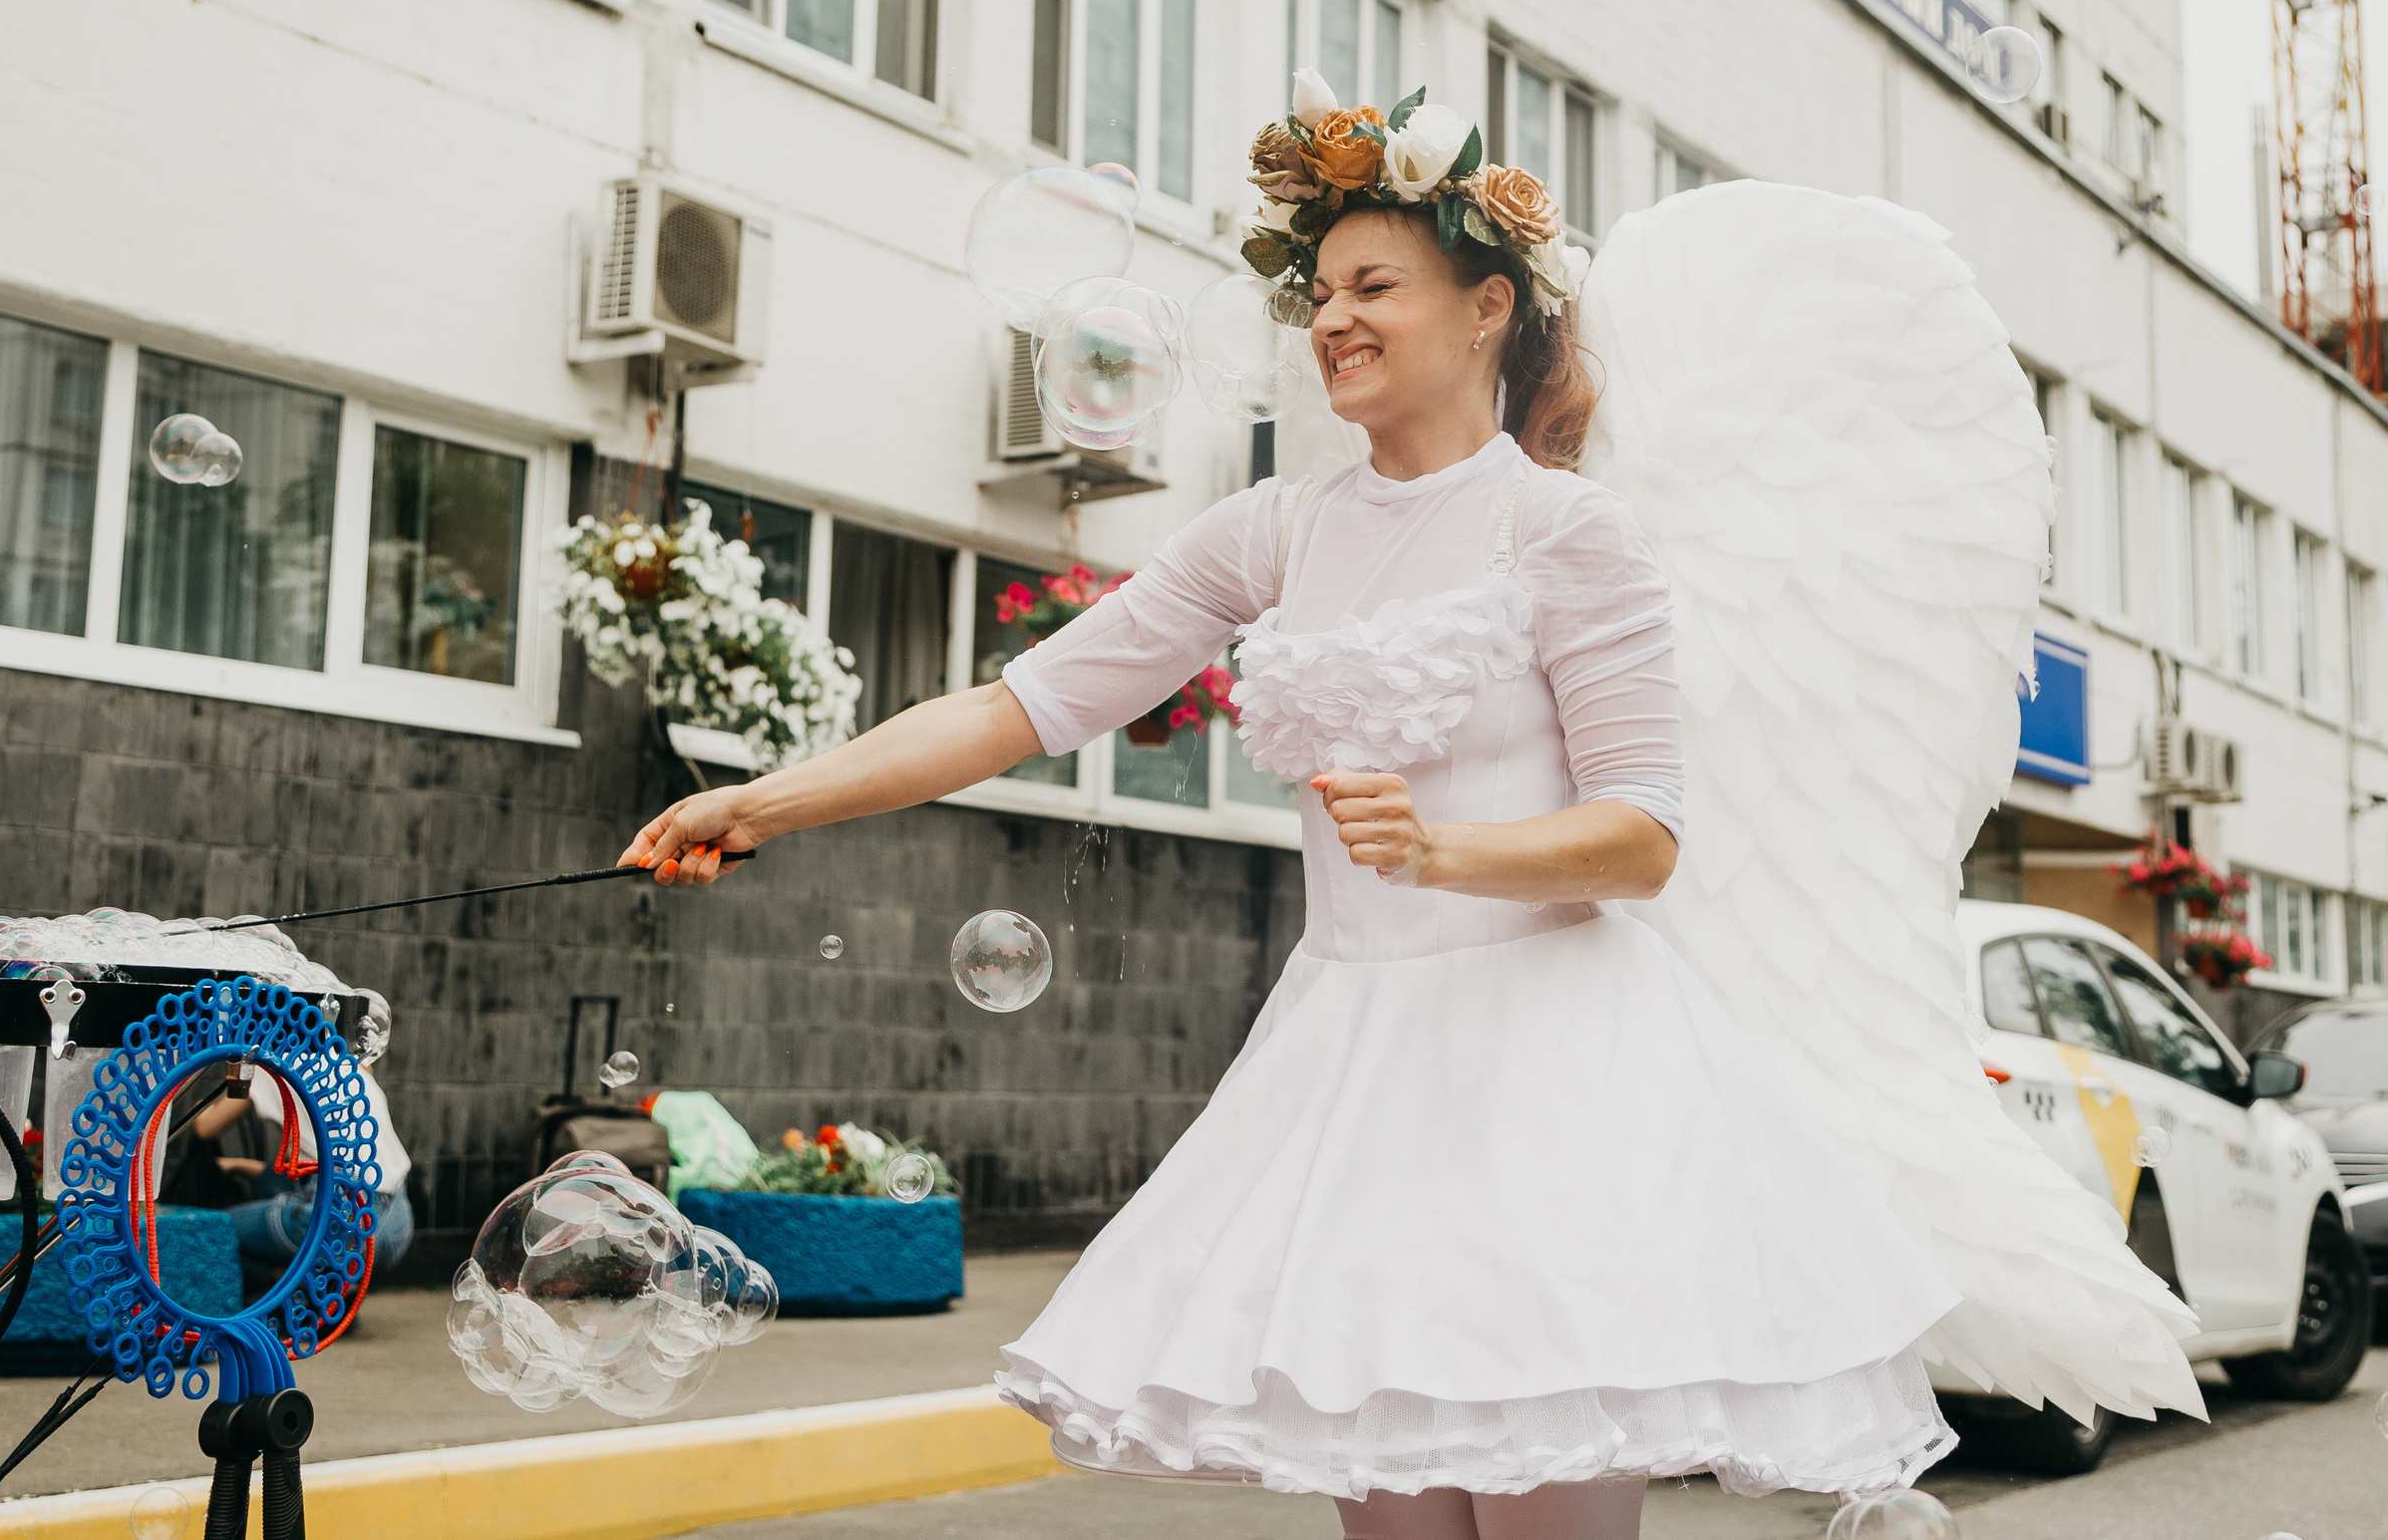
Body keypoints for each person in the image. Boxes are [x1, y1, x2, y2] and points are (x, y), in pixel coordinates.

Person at [623, 76, 2193, 1538]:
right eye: (1323, 293)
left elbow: (1644, 834)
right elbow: (1018, 705)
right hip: (1355, 1075)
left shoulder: (1570, 532)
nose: (1334, 320)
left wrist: (1447, 850)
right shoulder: (1274, 530)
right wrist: (768, 796)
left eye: (1375, 287)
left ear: (1487, 305)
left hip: (1561, 1078)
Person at [189, 1058, 416, 1282]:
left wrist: (200, 1104)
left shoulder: (271, 1064)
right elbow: (330, 1168)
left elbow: (205, 1127)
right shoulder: (348, 1061)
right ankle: (327, 1284)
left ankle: (294, 1286)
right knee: (308, 1184)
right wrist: (236, 1165)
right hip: (398, 1225)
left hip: (343, 1225)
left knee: (212, 1231)